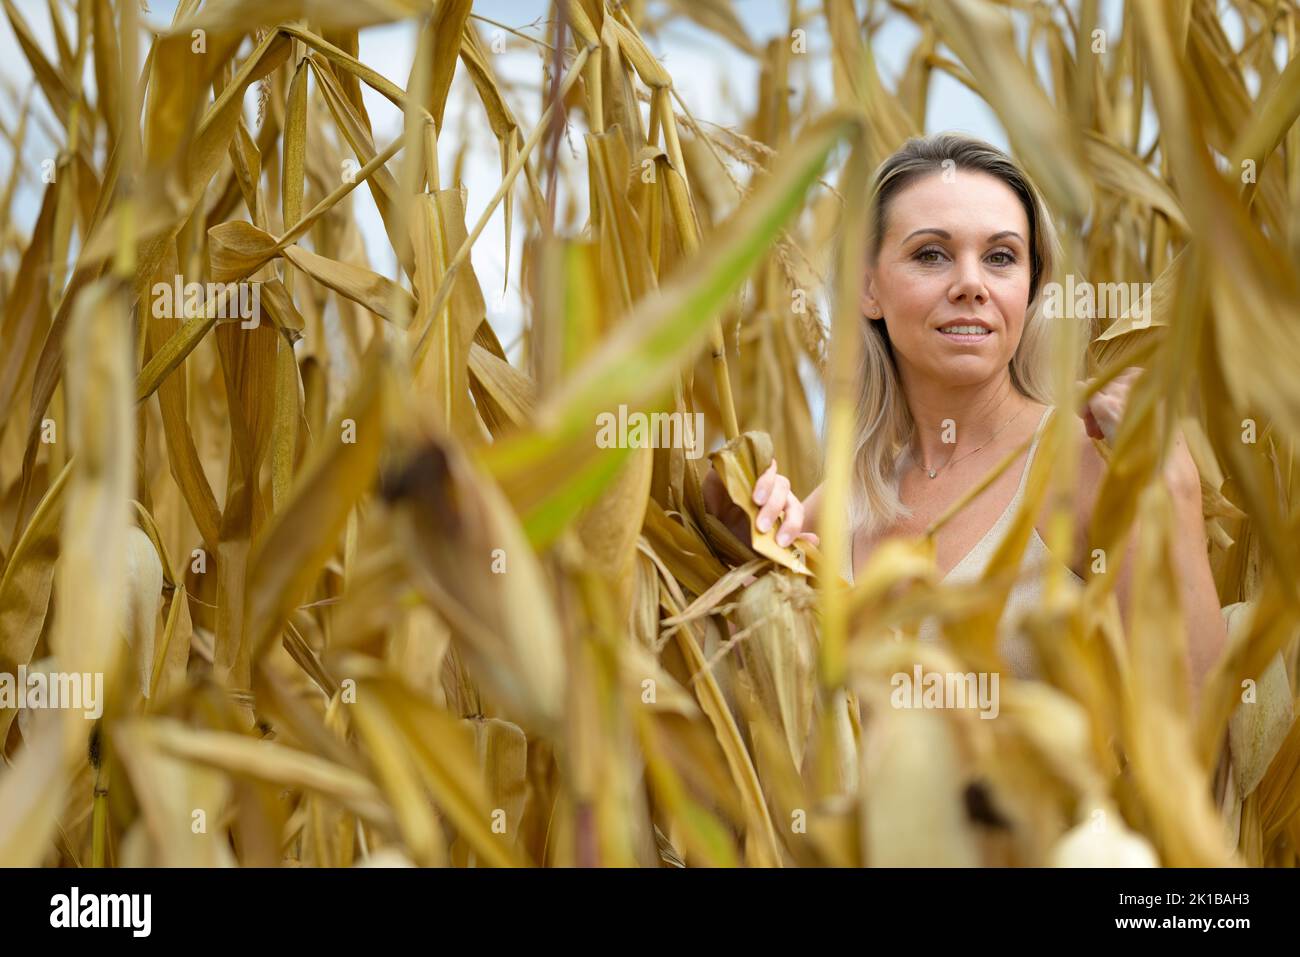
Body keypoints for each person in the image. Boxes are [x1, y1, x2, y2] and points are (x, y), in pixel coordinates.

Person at [703, 132, 1225, 701]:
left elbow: (1198, 738)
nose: (971, 284)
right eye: (932, 254)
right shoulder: (831, 510)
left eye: (1001, 257)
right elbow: (761, 750)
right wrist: (732, 568)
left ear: (1029, 290)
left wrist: (1173, 489)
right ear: (868, 288)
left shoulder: (1091, 465)